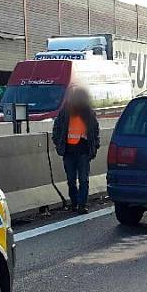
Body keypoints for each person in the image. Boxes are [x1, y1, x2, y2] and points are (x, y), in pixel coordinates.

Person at [52, 86, 100, 214]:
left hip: (83, 153)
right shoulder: (65, 112)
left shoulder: (88, 113)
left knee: (83, 180)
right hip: (69, 153)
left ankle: (81, 205)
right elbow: (56, 129)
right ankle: (75, 204)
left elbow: (95, 132)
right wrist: (58, 144)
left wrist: (94, 147)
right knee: (71, 181)